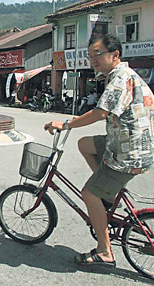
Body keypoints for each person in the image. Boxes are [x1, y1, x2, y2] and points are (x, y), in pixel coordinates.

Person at [44, 33, 154, 268]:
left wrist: (65, 124)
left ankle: (105, 252)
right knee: (85, 144)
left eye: (98, 54)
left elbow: (100, 113)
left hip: (128, 153)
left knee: (89, 194)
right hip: (126, 142)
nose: (93, 59)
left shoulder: (119, 78)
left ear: (115, 55)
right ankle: (108, 196)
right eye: (90, 55)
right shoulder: (124, 75)